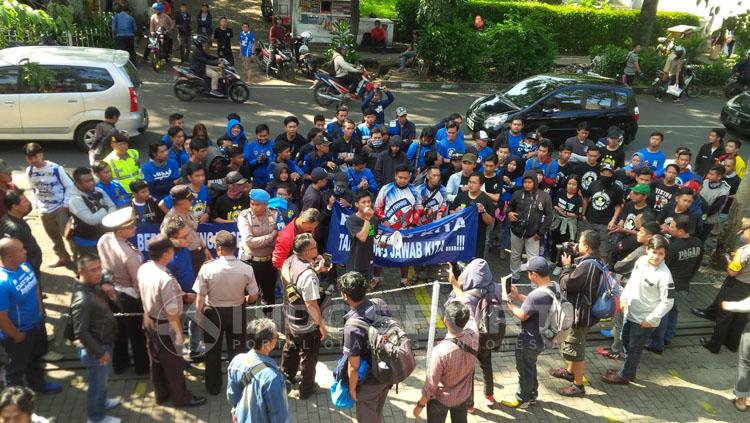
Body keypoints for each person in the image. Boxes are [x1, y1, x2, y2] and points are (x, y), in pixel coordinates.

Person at [138, 235, 206, 408]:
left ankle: (161, 394)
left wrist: (182, 296)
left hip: (149, 319)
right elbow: (171, 312)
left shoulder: (144, 267)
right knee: (173, 364)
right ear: (166, 254)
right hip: (165, 325)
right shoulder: (165, 279)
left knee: (156, 360)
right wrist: (177, 334)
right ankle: (181, 397)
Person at [601, 235, 674, 385]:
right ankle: (629, 370)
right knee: (626, 341)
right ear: (648, 250)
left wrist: (651, 319)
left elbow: (668, 302)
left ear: (665, 254)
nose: (656, 256)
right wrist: (624, 298)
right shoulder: (641, 261)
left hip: (644, 320)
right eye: (654, 251)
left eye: (660, 253)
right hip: (630, 312)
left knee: (634, 348)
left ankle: (625, 376)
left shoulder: (665, 276)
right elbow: (632, 282)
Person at [193, 230, 258, 395]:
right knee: (237, 350)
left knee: (212, 352)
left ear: (219, 249)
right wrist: (244, 298)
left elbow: (200, 297)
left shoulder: (207, 268)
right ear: (234, 248)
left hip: (212, 313)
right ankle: (238, 385)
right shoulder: (246, 268)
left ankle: (213, 387)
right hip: (237, 311)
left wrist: (198, 316)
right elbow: (254, 296)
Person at [0, 238, 61, 393]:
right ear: (9, 257)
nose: (25, 251)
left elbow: (35, 287)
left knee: (35, 360)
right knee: (15, 370)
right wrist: (16, 335)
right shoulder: (3, 283)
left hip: (36, 324)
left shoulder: (25, 266)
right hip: (19, 333)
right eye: (21, 250)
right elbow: (2, 317)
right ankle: (15, 403)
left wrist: (40, 310)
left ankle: (38, 384)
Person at [551, 230, 603, 397]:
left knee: (576, 348)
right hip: (583, 311)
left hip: (581, 314)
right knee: (575, 344)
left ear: (586, 247)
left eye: (579, 243)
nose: (576, 245)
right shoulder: (594, 260)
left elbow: (567, 283)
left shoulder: (587, 266)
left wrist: (566, 266)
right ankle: (569, 372)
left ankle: (578, 385)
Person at [97, 207, 149, 375]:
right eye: (130, 226)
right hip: (130, 297)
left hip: (111, 292)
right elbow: (138, 281)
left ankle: (120, 365)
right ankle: (142, 368)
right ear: (120, 231)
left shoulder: (104, 239)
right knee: (138, 336)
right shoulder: (130, 255)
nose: (135, 228)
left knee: (119, 333)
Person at [446, 259, 502, 410]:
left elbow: (450, 306)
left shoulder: (466, 296)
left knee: (468, 372)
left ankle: (469, 404)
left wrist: (455, 284)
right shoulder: (496, 289)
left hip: (470, 340)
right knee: (486, 366)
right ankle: (489, 396)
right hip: (488, 336)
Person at [500, 256, 556, 408]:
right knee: (530, 366)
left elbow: (522, 315)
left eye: (528, 273)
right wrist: (518, 296)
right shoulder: (553, 287)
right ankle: (532, 394)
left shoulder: (536, 295)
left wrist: (508, 303)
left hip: (529, 339)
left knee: (523, 369)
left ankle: (522, 399)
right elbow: (534, 305)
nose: (528, 275)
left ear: (534, 275)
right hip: (543, 337)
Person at [280, 233, 331, 400]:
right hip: (306, 324)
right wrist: (321, 326)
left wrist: (316, 270)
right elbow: (311, 304)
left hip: (290, 316)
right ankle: (306, 390)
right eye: (315, 247)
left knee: (290, 348)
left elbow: (297, 283)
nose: (318, 249)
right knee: (309, 358)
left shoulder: (289, 261)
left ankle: (285, 379)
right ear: (308, 251)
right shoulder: (308, 276)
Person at [71, 255, 121, 423]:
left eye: (98, 268)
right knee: (97, 384)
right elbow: (81, 332)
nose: (98, 273)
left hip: (103, 343)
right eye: (93, 270)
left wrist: (106, 281)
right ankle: (96, 417)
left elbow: (107, 272)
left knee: (102, 381)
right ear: (80, 271)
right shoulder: (82, 299)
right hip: (96, 350)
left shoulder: (92, 284)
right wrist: (100, 353)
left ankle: (102, 403)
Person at [646, 215, 702, 354]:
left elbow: (663, 266)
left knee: (662, 314)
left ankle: (657, 344)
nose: (669, 228)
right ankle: (668, 336)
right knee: (674, 311)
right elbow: (697, 265)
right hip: (684, 286)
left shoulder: (673, 246)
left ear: (681, 230)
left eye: (672, 226)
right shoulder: (698, 243)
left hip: (670, 286)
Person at [338, 272, 391, 422]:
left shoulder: (352, 327)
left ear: (344, 295)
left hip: (369, 381)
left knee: (367, 417)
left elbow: (353, 367)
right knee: (377, 412)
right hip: (387, 370)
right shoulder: (380, 303)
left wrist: (353, 389)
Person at [412, 301, 478, 422]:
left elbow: (431, 386)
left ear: (445, 320)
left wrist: (419, 406)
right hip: (463, 396)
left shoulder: (440, 351)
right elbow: (472, 316)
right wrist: (457, 288)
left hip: (440, 401)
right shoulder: (474, 336)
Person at [694, 223, 750, 353]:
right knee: (741, 316)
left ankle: (714, 344)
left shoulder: (744, 251)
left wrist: (728, 260)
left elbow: (732, 272)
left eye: (745, 231)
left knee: (725, 316)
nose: (744, 233)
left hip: (736, 285)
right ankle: (732, 343)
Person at [227, 318, 290, 423]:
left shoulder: (236, 361)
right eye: (276, 337)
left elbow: (233, 394)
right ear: (266, 344)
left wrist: (235, 410)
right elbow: (279, 415)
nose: (278, 339)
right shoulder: (272, 377)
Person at [23, 142, 74, 267]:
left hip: (60, 209)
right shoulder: (29, 171)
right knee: (54, 237)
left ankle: (79, 260)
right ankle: (63, 257)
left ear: (41, 154)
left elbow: (70, 186)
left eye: (36, 156)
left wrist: (65, 205)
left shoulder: (56, 169)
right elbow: (33, 189)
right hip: (44, 210)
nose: (33, 160)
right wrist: (37, 205)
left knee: (69, 236)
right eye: (30, 157)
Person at [374, 164, 422, 287]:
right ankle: (376, 278)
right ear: (395, 176)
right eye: (400, 177)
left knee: (405, 255)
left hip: (406, 229)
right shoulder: (386, 188)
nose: (402, 180)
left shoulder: (414, 190)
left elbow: (419, 207)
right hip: (386, 229)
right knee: (381, 254)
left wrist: (413, 223)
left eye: (405, 178)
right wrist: (383, 219)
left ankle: (404, 280)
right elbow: (377, 207)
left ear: (409, 177)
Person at [237, 189, 279, 315]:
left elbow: (279, 237)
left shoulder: (275, 214)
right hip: (249, 261)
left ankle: (267, 323)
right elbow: (250, 242)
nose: (253, 207)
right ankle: (247, 324)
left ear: (266, 204)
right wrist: (271, 237)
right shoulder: (244, 216)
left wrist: (265, 240)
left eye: (257, 204)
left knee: (268, 294)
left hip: (269, 262)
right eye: (252, 203)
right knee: (248, 294)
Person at [508, 170, 554, 283]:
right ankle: (515, 275)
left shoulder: (544, 196)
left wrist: (540, 232)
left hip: (534, 234)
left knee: (533, 259)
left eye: (530, 182)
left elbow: (549, 216)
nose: (527, 184)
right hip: (516, 231)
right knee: (515, 255)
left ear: (535, 182)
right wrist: (509, 213)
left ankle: (534, 283)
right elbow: (510, 207)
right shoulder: (517, 194)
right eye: (525, 182)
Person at [162, 185, 212, 275]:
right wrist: (179, 243)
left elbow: (193, 232)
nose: (192, 201)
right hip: (187, 256)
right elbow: (163, 241)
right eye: (190, 199)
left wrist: (204, 248)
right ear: (181, 202)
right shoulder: (170, 219)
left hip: (198, 253)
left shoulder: (189, 213)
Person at [69, 167, 117, 259]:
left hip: (104, 238)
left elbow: (113, 207)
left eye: (92, 179)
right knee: (93, 270)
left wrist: (105, 212)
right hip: (87, 243)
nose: (92, 183)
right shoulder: (75, 200)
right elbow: (92, 220)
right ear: (78, 184)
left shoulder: (99, 191)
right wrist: (105, 208)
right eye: (87, 181)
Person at [582, 162, 623, 260]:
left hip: (605, 224)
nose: (606, 175)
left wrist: (613, 220)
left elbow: (619, 205)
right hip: (590, 221)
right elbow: (586, 198)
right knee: (585, 246)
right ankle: (584, 267)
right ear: (600, 173)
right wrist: (583, 213)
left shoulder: (617, 189)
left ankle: (601, 271)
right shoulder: (594, 184)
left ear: (612, 174)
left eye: (609, 173)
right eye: (604, 173)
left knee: (603, 251)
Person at [450, 173, 496, 259]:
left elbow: (490, 221)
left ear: (481, 185)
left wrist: (483, 211)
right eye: (470, 182)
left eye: (474, 183)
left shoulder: (486, 199)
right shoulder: (461, 196)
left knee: (475, 263)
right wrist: (456, 212)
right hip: (461, 236)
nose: (471, 185)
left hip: (478, 238)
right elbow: (451, 212)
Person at [346, 190, 378, 282]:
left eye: (369, 202)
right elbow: (362, 238)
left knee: (365, 289)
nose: (367, 204)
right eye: (363, 202)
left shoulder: (374, 219)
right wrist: (367, 219)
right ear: (356, 204)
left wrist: (382, 242)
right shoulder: (351, 220)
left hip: (368, 261)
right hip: (355, 263)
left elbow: (373, 236)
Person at [699, 164, 730, 242]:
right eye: (709, 173)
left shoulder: (723, 192)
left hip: (707, 222)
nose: (708, 176)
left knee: (700, 241)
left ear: (719, 177)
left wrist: (699, 199)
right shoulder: (705, 182)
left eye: (711, 174)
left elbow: (712, 210)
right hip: (696, 216)